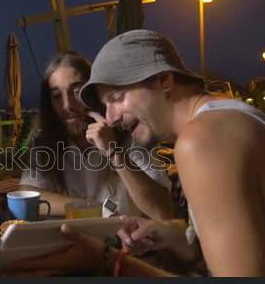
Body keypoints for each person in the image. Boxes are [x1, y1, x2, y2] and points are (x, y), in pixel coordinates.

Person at [1, 29, 265, 277]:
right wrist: (179, 236)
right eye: (105, 106)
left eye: (117, 99)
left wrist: (111, 261)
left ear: (164, 80)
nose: (111, 118)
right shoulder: (229, 116)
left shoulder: (200, 140)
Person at [19, 51, 173, 220]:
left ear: (96, 93)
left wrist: (113, 152)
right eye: (56, 96)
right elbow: (28, 197)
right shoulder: (45, 142)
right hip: (69, 243)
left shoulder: (133, 136)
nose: (67, 105)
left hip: (122, 244)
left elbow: (163, 211)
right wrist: (96, 210)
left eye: (76, 91)